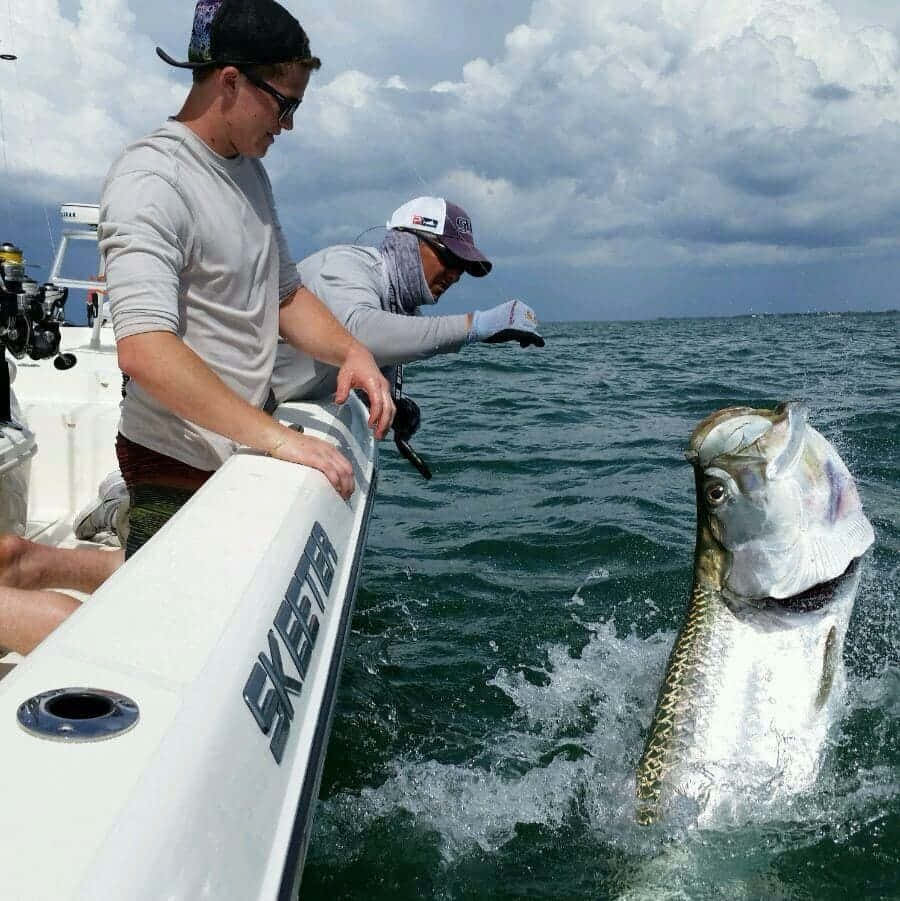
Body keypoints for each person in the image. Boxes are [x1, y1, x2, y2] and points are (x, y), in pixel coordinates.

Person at [0, 0, 394, 654]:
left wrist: (353, 350)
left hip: (238, 444)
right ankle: (25, 579)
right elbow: (145, 350)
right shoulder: (152, 178)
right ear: (231, 82)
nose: (289, 126)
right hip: (172, 458)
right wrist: (275, 438)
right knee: (155, 645)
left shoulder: (251, 176)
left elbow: (286, 296)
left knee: (189, 591)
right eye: (283, 104)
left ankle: (32, 563)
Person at [270, 195, 544, 452]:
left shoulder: (400, 307)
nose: (456, 275)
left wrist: (393, 406)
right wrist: (476, 326)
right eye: (449, 258)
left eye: (463, 267)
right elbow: (356, 334)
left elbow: (372, 351)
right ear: (408, 243)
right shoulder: (344, 265)